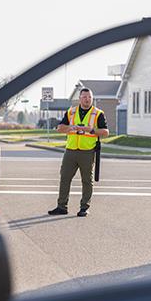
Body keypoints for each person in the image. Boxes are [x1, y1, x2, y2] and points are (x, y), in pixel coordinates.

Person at [48, 88, 109, 217]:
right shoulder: (71, 112)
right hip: (70, 151)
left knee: (87, 180)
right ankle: (61, 206)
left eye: (89, 97)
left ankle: (84, 207)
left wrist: (91, 130)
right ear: (80, 98)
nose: (87, 99)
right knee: (65, 178)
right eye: (85, 97)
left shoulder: (98, 113)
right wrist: (69, 128)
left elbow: (105, 132)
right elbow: (60, 128)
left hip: (87, 152)